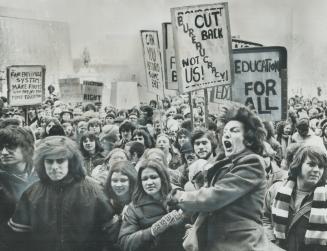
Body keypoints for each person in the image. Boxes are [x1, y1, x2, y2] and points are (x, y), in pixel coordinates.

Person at [168, 105, 280, 251]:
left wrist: (180, 197)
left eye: (234, 131)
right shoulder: (225, 164)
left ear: (249, 139)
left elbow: (215, 196)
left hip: (240, 244)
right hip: (219, 241)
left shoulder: (252, 163)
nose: (226, 135)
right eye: (225, 132)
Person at [4, 136, 114, 251]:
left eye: (60, 160)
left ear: (71, 162)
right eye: (49, 161)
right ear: (42, 162)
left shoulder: (93, 191)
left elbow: (110, 235)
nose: (54, 167)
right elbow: (18, 239)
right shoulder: (31, 193)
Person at [264, 145, 327, 251]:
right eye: (311, 164)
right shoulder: (276, 189)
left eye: (321, 166)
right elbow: (263, 218)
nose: (317, 170)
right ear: (298, 166)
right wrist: (272, 243)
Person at [119, 159, 186, 251]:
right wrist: (153, 230)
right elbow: (125, 242)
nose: (149, 183)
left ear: (162, 178)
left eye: (153, 177)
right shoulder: (135, 207)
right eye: (145, 179)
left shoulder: (179, 196)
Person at [0, 126, 37, 230]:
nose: (4, 152)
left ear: (26, 148)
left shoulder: (41, 174)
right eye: (0, 147)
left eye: (10, 146)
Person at [103, 160, 137, 250]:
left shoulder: (138, 203)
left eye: (123, 180)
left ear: (132, 180)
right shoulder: (105, 200)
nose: (118, 184)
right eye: (114, 180)